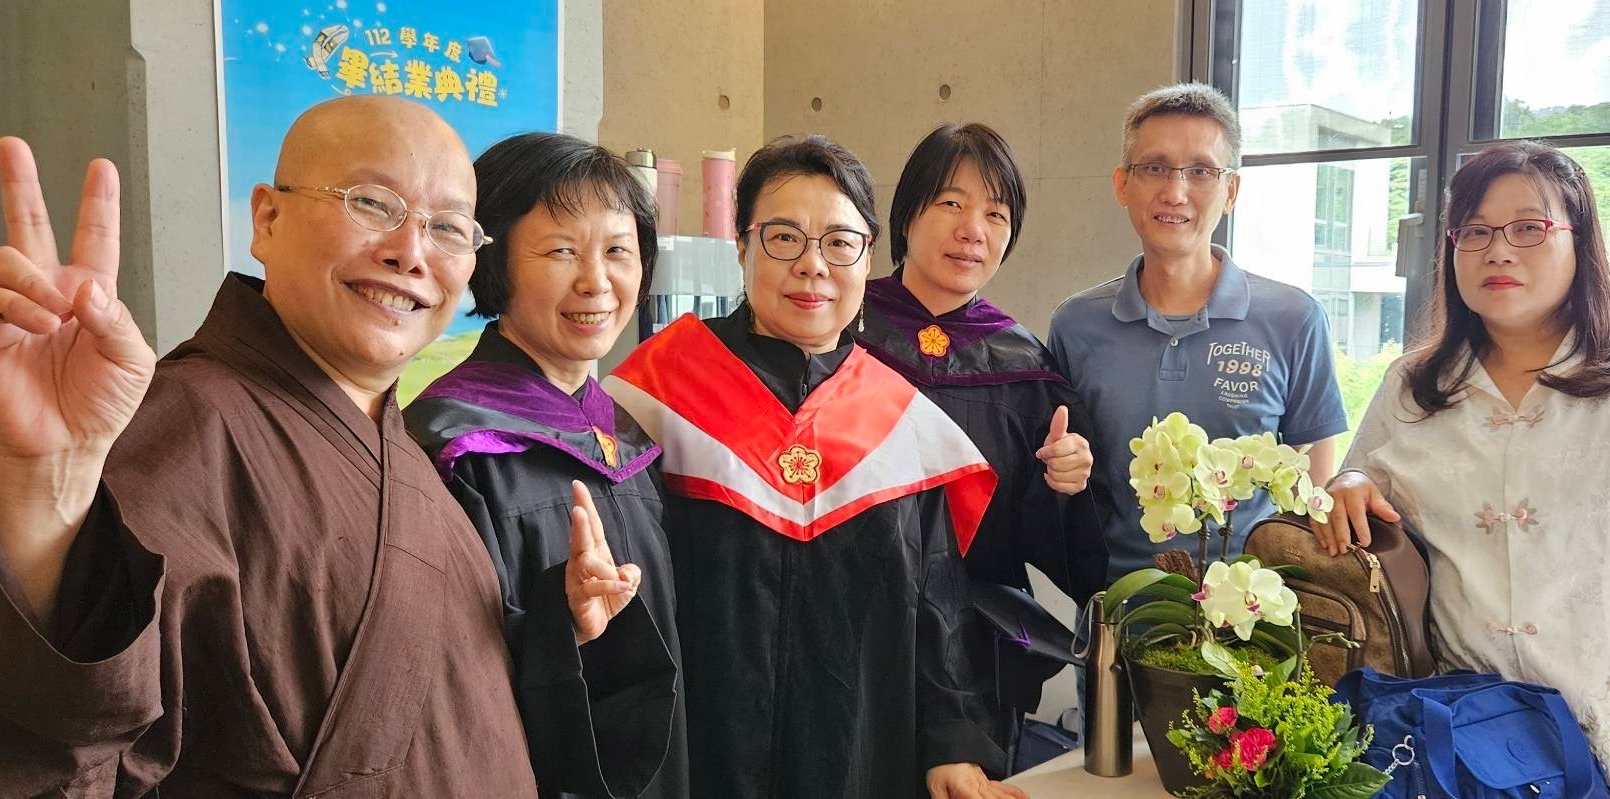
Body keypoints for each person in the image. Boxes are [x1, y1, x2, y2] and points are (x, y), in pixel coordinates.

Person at [0, 97, 659, 795]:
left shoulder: (392, 441)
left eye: (448, 228)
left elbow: (436, 688)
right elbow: (84, 729)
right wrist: (44, 487)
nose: (410, 252)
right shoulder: (189, 422)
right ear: (267, 219)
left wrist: (556, 625)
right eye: (371, 203)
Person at [1320, 141, 1610, 798]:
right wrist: (1348, 484)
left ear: (1578, 241)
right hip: (1464, 748)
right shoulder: (1413, 386)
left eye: (1528, 228)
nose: (1498, 251)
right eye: (1475, 231)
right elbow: (1362, 495)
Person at [603, 134, 1027, 799]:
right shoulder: (655, 395)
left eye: (839, 242)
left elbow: (937, 600)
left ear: (867, 257)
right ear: (741, 246)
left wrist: (951, 743)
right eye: (782, 238)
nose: (812, 265)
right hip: (698, 749)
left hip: (860, 753)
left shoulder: (898, 421)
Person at [404, 132, 686, 799]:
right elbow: (438, 672)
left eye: (618, 251)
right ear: (493, 261)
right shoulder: (452, 448)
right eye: (561, 251)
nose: (596, 281)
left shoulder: (629, 437)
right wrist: (562, 623)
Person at [855, 122, 1107, 761]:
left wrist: (1064, 486)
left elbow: (1060, 549)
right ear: (908, 213)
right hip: (850, 626)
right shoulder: (839, 331)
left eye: (996, 214)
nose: (973, 229)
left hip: (972, 651)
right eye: (951, 202)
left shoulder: (1025, 366)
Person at [1048, 83, 1348, 580]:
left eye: (1201, 171)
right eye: (1154, 168)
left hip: (1253, 608)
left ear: (1231, 192)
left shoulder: (1294, 319)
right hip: (1116, 603)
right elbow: (1068, 479)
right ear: (1122, 184)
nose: (1175, 191)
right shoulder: (1076, 326)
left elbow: (1313, 492)